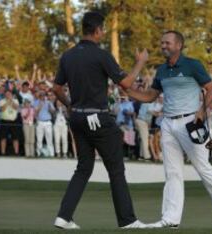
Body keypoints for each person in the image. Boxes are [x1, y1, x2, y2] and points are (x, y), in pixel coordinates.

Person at [125, 30, 212, 229]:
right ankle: (171, 218)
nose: (163, 46)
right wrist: (129, 91)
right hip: (168, 123)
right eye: (162, 43)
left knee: (203, 168)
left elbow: (211, 89)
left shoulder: (192, 65)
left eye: (167, 43)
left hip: (191, 123)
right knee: (172, 173)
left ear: (179, 45)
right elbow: (151, 96)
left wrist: (202, 111)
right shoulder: (161, 70)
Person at [52, 12, 149, 229]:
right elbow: (126, 83)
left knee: (84, 167)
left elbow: (56, 89)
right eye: (103, 29)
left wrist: (69, 105)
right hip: (96, 117)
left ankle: (63, 216)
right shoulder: (101, 55)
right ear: (97, 30)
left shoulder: (67, 56)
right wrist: (140, 63)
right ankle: (127, 220)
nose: (103, 32)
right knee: (115, 169)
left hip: (77, 117)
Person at [0, 90, 20, 155]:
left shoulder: (15, 100)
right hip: (4, 121)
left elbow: (16, 107)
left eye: (9, 94)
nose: (8, 95)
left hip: (13, 121)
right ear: (5, 95)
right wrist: (7, 102)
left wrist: (11, 101)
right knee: (3, 138)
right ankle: (3, 153)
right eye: (6, 94)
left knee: (15, 138)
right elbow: (2, 109)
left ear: (11, 94)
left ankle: (16, 153)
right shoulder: (1, 101)